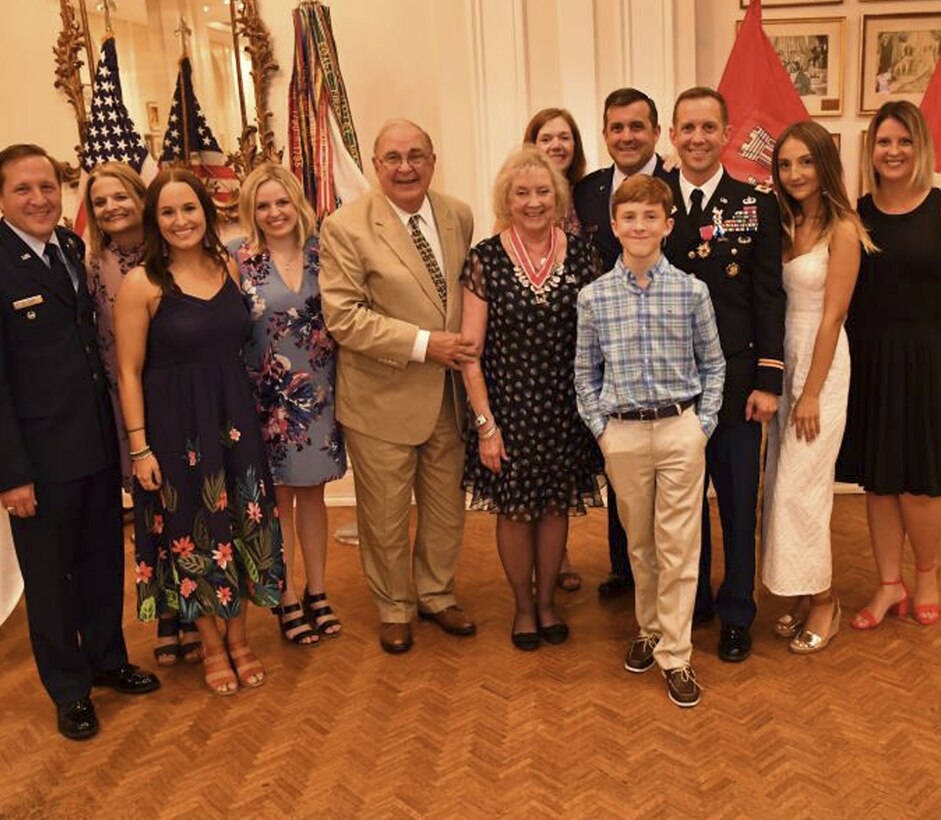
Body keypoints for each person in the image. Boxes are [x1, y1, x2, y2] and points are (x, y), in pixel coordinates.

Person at [0, 144, 159, 740]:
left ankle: (107, 660)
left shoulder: (70, 247)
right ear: (2, 197)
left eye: (48, 186)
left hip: (92, 444)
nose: (40, 198)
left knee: (99, 563)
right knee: (50, 578)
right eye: (24, 189)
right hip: (38, 462)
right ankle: (68, 690)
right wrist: (10, 475)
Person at [114, 169, 285, 695]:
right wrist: (140, 448)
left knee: (239, 526)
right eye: (167, 212)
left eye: (189, 209)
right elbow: (128, 371)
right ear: (154, 221)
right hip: (175, 430)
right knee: (194, 535)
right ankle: (211, 644)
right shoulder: (141, 283)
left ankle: (240, 638)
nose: (180, 220)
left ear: (206, 213)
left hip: (234, 420)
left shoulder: (228, 264)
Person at [319, 119, 476, 654]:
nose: (405, 167)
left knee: (445, 507)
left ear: (433, 160)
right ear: (375, 164)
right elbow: (343, 318)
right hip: (382, 395)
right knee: (384, 514)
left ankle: (436, 593)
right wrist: (423, 344)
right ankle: (394, 607)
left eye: (416, 156)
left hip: (449, 396)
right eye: (393, 158)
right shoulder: (344, 227)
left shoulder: (458, 215)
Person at [575, 174, 724, 706]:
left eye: (650, 217)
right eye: (629, 217)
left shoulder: (691, 291)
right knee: (640, 543)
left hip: (681, 429)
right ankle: (650, 629)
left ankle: (676, 655)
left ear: (668, 223)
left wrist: (699, 426)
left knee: (680, 546)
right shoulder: (594, 298)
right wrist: (604, 431)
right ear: (615, 226)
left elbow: (714, 365)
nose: (640, 226)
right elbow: (584, 374)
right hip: (625, 435)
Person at [461, 145, 603, 651]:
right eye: (522, 193)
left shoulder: (583, 254)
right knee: (516, 511)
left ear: (559, 196)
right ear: (507, 199)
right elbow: (469, 352)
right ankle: (523, 607)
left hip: (567, 408)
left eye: (543, 191)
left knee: (554, 508)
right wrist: (486, 426)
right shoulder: (486, 259)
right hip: (509, 409)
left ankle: (548, 604)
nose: (534, 202)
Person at [663, 87, 786, 662]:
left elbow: (768, 295)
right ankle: (694, 604)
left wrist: (769, 379)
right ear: (672, 134)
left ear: (727, 133)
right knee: (683, 503)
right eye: (687, 128)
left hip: (737, 379)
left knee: (738, 499)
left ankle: (737, 609)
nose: (697, 138)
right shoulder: (651, 199)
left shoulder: (754, 203)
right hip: (671, 383)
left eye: (708, 127)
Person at [762, 121, 875, 654]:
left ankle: (826, 601)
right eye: (785, 164)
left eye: (805, 162)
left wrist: (809, 393)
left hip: (821, 366)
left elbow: (833, 318)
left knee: (800, 490)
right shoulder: (786, 223)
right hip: (783, 362)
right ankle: (805, 593)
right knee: (782, 482)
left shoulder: (844, 229)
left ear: (824, 164)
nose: (795, 173)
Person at [85, 162, 202, 668]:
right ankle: (169, 614)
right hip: (123, 402)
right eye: (100, 201)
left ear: (142, 199)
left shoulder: (170, 258)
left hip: (176, 397)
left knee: (192, 504)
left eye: (120, 197)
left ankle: (199, 608)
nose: (112, 208)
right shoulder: (89, 265)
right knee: (154, 513)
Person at [230, 163, 347, 647]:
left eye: (281, 202)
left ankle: (317, 590)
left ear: (295, 202)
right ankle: (284, 597)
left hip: (319, 393)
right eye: (263, 205)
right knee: (277, 500)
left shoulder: (324, 251)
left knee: (313, 495)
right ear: (251, 211)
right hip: (267, 397)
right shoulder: (238, 257)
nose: (274, 212)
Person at [838, 100, 941, 629]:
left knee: (920, 482)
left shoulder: (939, 208)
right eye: (884, 141)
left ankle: (927, 575)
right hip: (872, 357)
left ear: (919, 147)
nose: (893, 150)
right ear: (871, 150)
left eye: (903, 141)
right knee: (878, 481)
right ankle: (887, 585)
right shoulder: (857, 215)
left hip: (928, 359)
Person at [573, 88, 675, 600]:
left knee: (677, 496)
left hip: (670, 357)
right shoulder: (587, 191)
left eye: (637, 126)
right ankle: (625, 569)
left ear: (656, 133)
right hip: (610, 351)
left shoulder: (682, 184)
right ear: (606, 133)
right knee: (622, 471)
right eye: (617, 127)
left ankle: (682, 589)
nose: (627, 136)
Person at [523, 106, 588, 593]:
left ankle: (557, 553)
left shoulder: (590, 194)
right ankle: (554, 559)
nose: (558, 145)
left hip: (578, 348)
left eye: (565, 137)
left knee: (574, 465)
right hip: (530, 359)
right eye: (548, 137)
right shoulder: (521, 200)